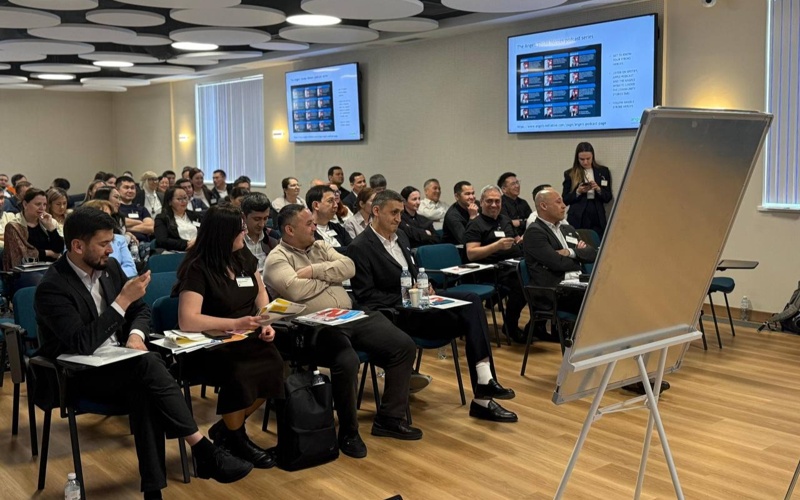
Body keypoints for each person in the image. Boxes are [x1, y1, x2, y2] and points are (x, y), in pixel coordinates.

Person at [33, 207, 253, 497]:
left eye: (111, 242)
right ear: (77, 246)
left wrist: (135, 335)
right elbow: (82, 343)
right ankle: (202, 449)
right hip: (77, 375)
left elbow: (141, 310)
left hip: (123, 365)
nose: (110, 250)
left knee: (146, 385)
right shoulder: (52, 287)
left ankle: (156, 490)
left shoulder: (109, 267)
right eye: (103, 244)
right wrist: (121, 302)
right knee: (148, 368)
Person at [264, 204, 422, 456]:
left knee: (403, 346)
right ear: (289, 230)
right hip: (315, 327)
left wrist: (314, 271)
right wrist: (331, 277)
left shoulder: (320, 246)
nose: (314, 227)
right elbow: (295, 290)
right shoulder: (277, 259)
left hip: (348, 316)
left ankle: (389, 419)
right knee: (347, 361)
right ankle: (349, 433)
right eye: (309, 224)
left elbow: (349, 267)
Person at [348, 190, 518, 423]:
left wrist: (425, 285)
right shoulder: (360, 246)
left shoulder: (401, 237)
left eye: (400, 213)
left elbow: (414, 272)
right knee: (470, 319)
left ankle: (484, 384)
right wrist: (408, 294)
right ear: (376, 211)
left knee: (471, 301)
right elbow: (366, 296)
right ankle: (483, 396)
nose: (398, 218)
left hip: (421, 305)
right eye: (394, 213)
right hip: (398, 315)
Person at [174, 204, 285, 470]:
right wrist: (235, 323)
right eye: (240, 230)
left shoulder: (241, 255)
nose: (245, 234)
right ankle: (236, 438)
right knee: (241, 371)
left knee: (277, 366)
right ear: (223, 234)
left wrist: (265, 320)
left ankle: (226, 430)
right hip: (210, 342)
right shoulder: (198, 268)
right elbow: (188, 319)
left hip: (245, 334)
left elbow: (260, 292)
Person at [523, 188, 597, 339]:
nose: (564, 206)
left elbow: (592, 254)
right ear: (544, 206)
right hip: (555, 291)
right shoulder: (535, 232)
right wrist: (579, 259)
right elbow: (557, 263)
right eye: (558, 202)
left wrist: (570, 252)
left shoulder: (567, 228)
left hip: (575, 285)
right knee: (598, 299)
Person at [464, 185, 526, 342]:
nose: (494, 205)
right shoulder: (476, 224)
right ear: (481, 202)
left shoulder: (505, 220)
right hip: (491, 270)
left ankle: (537, 325)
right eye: (489, 201)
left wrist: (523, 240)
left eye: (497, 201)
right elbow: (471, 253)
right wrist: (496, 246)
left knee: (539, 275)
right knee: (521, 283)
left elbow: (516, 239)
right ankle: (510, 326)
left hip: (514, 264)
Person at [3, 187, 65, 271]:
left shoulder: (48, 222)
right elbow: (22, 254)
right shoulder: (14, 226)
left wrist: (51, 228)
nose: (42, 208)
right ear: (25, 204)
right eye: (38, 204)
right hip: (27, 270)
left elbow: (59, 249)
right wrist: (49, 253)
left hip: (50, 266)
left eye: (44, 204)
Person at [562, 142, 613, 240]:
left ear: (593, 156)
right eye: (582, 159)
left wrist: (598, 189)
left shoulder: (603, 171)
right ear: (577, 159)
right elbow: (565, 199)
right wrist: (578, 192)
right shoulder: (570, 173)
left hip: (597, 212)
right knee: (579, 241)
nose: (585, 162)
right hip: (578, 213)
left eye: (588, 159)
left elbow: (608, 197)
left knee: (598, 240)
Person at [82, 199, 138, 278]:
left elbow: (131, 269)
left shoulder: (120, 239)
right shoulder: (81, 240)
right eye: (103, 216)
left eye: (109, 216)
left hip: (116, 282)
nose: (107, 220)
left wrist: (108, 277)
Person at [154, 186, 202, 252]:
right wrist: (187, 244)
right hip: (177, 252)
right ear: (170, 202)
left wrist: (197, 242)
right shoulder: (162, 218)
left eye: (185, 198)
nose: (184, 201)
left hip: (199, 249)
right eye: (179, 199)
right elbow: (162, 240)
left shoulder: (195, 216)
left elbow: (205, 233)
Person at [306, 185, 351, 251]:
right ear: (316, 205)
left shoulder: (338, 228)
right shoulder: (307, 232)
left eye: (335, 201)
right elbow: (322, 253)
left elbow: (353, 249)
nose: (336, 205)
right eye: (330, 201)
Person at [241, 192, 279, 271]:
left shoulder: (272, 236)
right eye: (257, 219)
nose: (262, 224)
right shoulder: (235, 239)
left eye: (265, 218)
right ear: (244, 217)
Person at [117, 175, 155, 241]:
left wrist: (125, 228)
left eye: (132, 188)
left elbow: (150, 227)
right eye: (126, 187)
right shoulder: (115, 207)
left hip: (145, 243)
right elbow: (117, 222)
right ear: (117, 190)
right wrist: (140, 222)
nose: (130, 191)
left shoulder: (141, 209)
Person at [442, 181, 479, 245]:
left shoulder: (478, 204)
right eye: (467, 194)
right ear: (457, 196)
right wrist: (473, 218)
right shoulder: (452, 216)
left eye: (473, 193)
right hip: (457, 248)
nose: (472, 197)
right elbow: (465, 240)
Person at [498, 172, 532, 237]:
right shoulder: (500, 203)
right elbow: (506, 224)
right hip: (508, 237)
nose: (517, 186)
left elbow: (531, 221)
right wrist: (523, 222)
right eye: (513, 184)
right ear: (504, 189)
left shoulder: (523, 203)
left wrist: (519, 223)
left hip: (526, 236)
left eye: (517, 182)